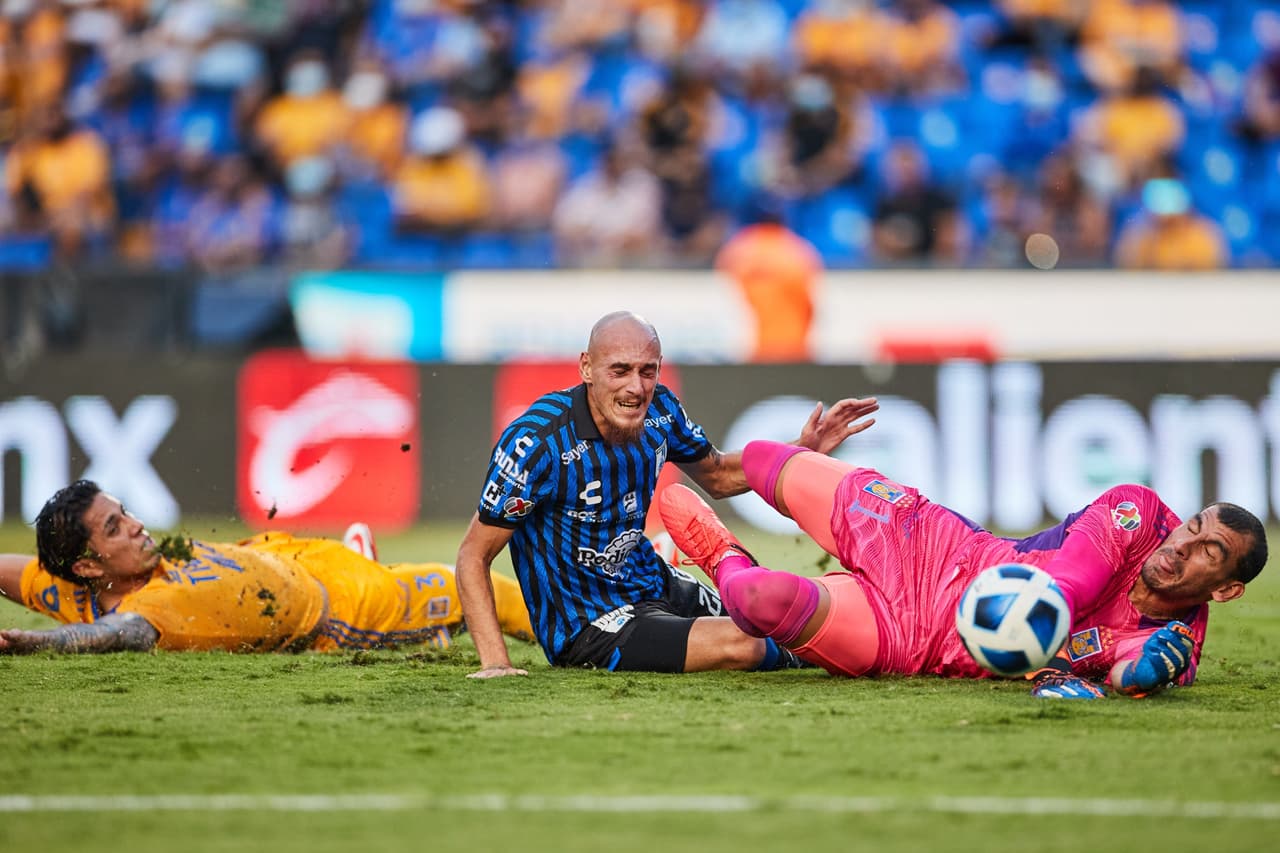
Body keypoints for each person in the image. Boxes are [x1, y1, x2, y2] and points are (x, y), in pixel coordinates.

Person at [657, 439, 1268, 699]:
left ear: (1228, 590)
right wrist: (1051, 665)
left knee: (760, 601)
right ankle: (689, 471)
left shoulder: (1172, 642)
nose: (1182, 546)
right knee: (763, 457)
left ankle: (716, 552)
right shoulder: (1135, 511)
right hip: (929, 543)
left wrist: (1147, 675)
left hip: (913, 639)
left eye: (1209, 552)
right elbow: (1070, 584)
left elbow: (1134, 673)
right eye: (1193, 527)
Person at [455, 311, 879, 678]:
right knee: (744, 644)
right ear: (586, 368)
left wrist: (798, 454)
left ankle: (875, 630)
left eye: (648, 370)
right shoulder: (537, 442)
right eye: (619, 370)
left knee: (765, 614)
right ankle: (843, 651)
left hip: (652, 583)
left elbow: (718, 475)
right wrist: (495, 663)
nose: (636, 388)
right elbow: (473, 555)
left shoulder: (660, 409)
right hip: (590, 623)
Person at [0, 480, 533, 655]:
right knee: (471, 585)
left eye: (124, 513)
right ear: (89, 567)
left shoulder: (69, 583)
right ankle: (587, 636)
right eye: (115, 528)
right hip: (346, 609)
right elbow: (117, 634)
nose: (137, 525)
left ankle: (358, 554)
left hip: (286, 554)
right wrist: (33, 643)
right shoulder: (155, 607)